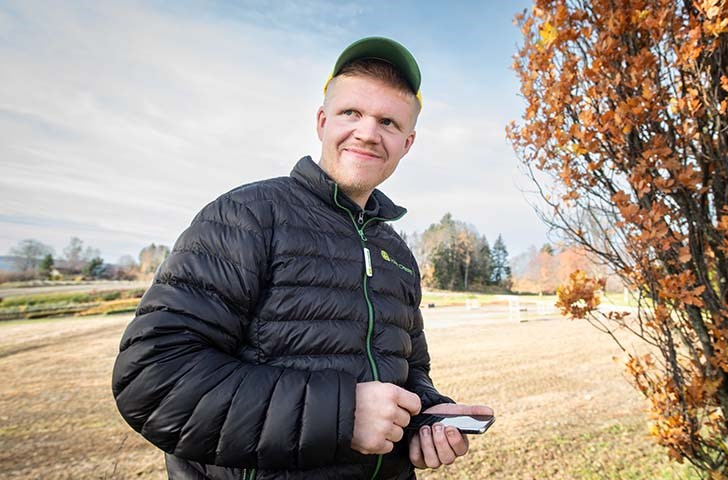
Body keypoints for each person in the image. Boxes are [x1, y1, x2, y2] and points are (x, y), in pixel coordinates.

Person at [112, 36, 492, 480]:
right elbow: (153, 379)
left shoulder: (398, 253)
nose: (368, 132)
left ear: (407, 143)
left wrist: (426, 415)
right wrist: (343, 415)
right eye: (352, 113)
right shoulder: (247, 216)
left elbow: (411, 371)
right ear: (321, 121)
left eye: (388, 122)